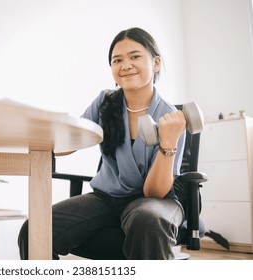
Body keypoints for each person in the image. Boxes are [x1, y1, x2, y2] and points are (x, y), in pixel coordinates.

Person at [18, 27, 187, 260]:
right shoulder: (105, 103)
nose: (125, 64)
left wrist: (168, 144)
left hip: (154, 201)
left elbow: (154, 192)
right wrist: (40, 132)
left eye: (135, 56)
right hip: (106, 199)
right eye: (117, 60)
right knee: (35, 229)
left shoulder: (171, 118)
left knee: (147, 218)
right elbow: (68, 144)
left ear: (156, 63)